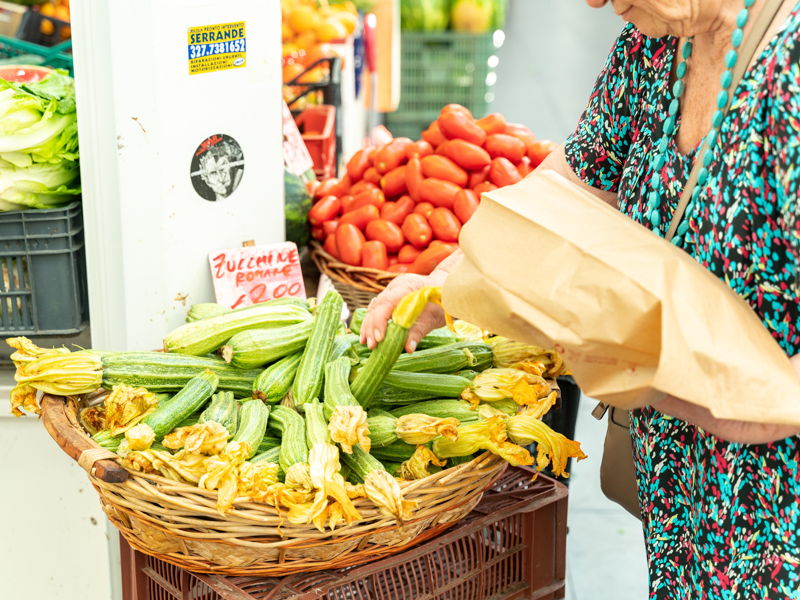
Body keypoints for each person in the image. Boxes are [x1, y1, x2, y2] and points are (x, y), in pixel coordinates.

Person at [361, 1, 800, 597]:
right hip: (681, 485)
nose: (595, 1)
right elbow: (569, 191)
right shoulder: (653, 46)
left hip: (780, 501)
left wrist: (771, 403)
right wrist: (446, 283)